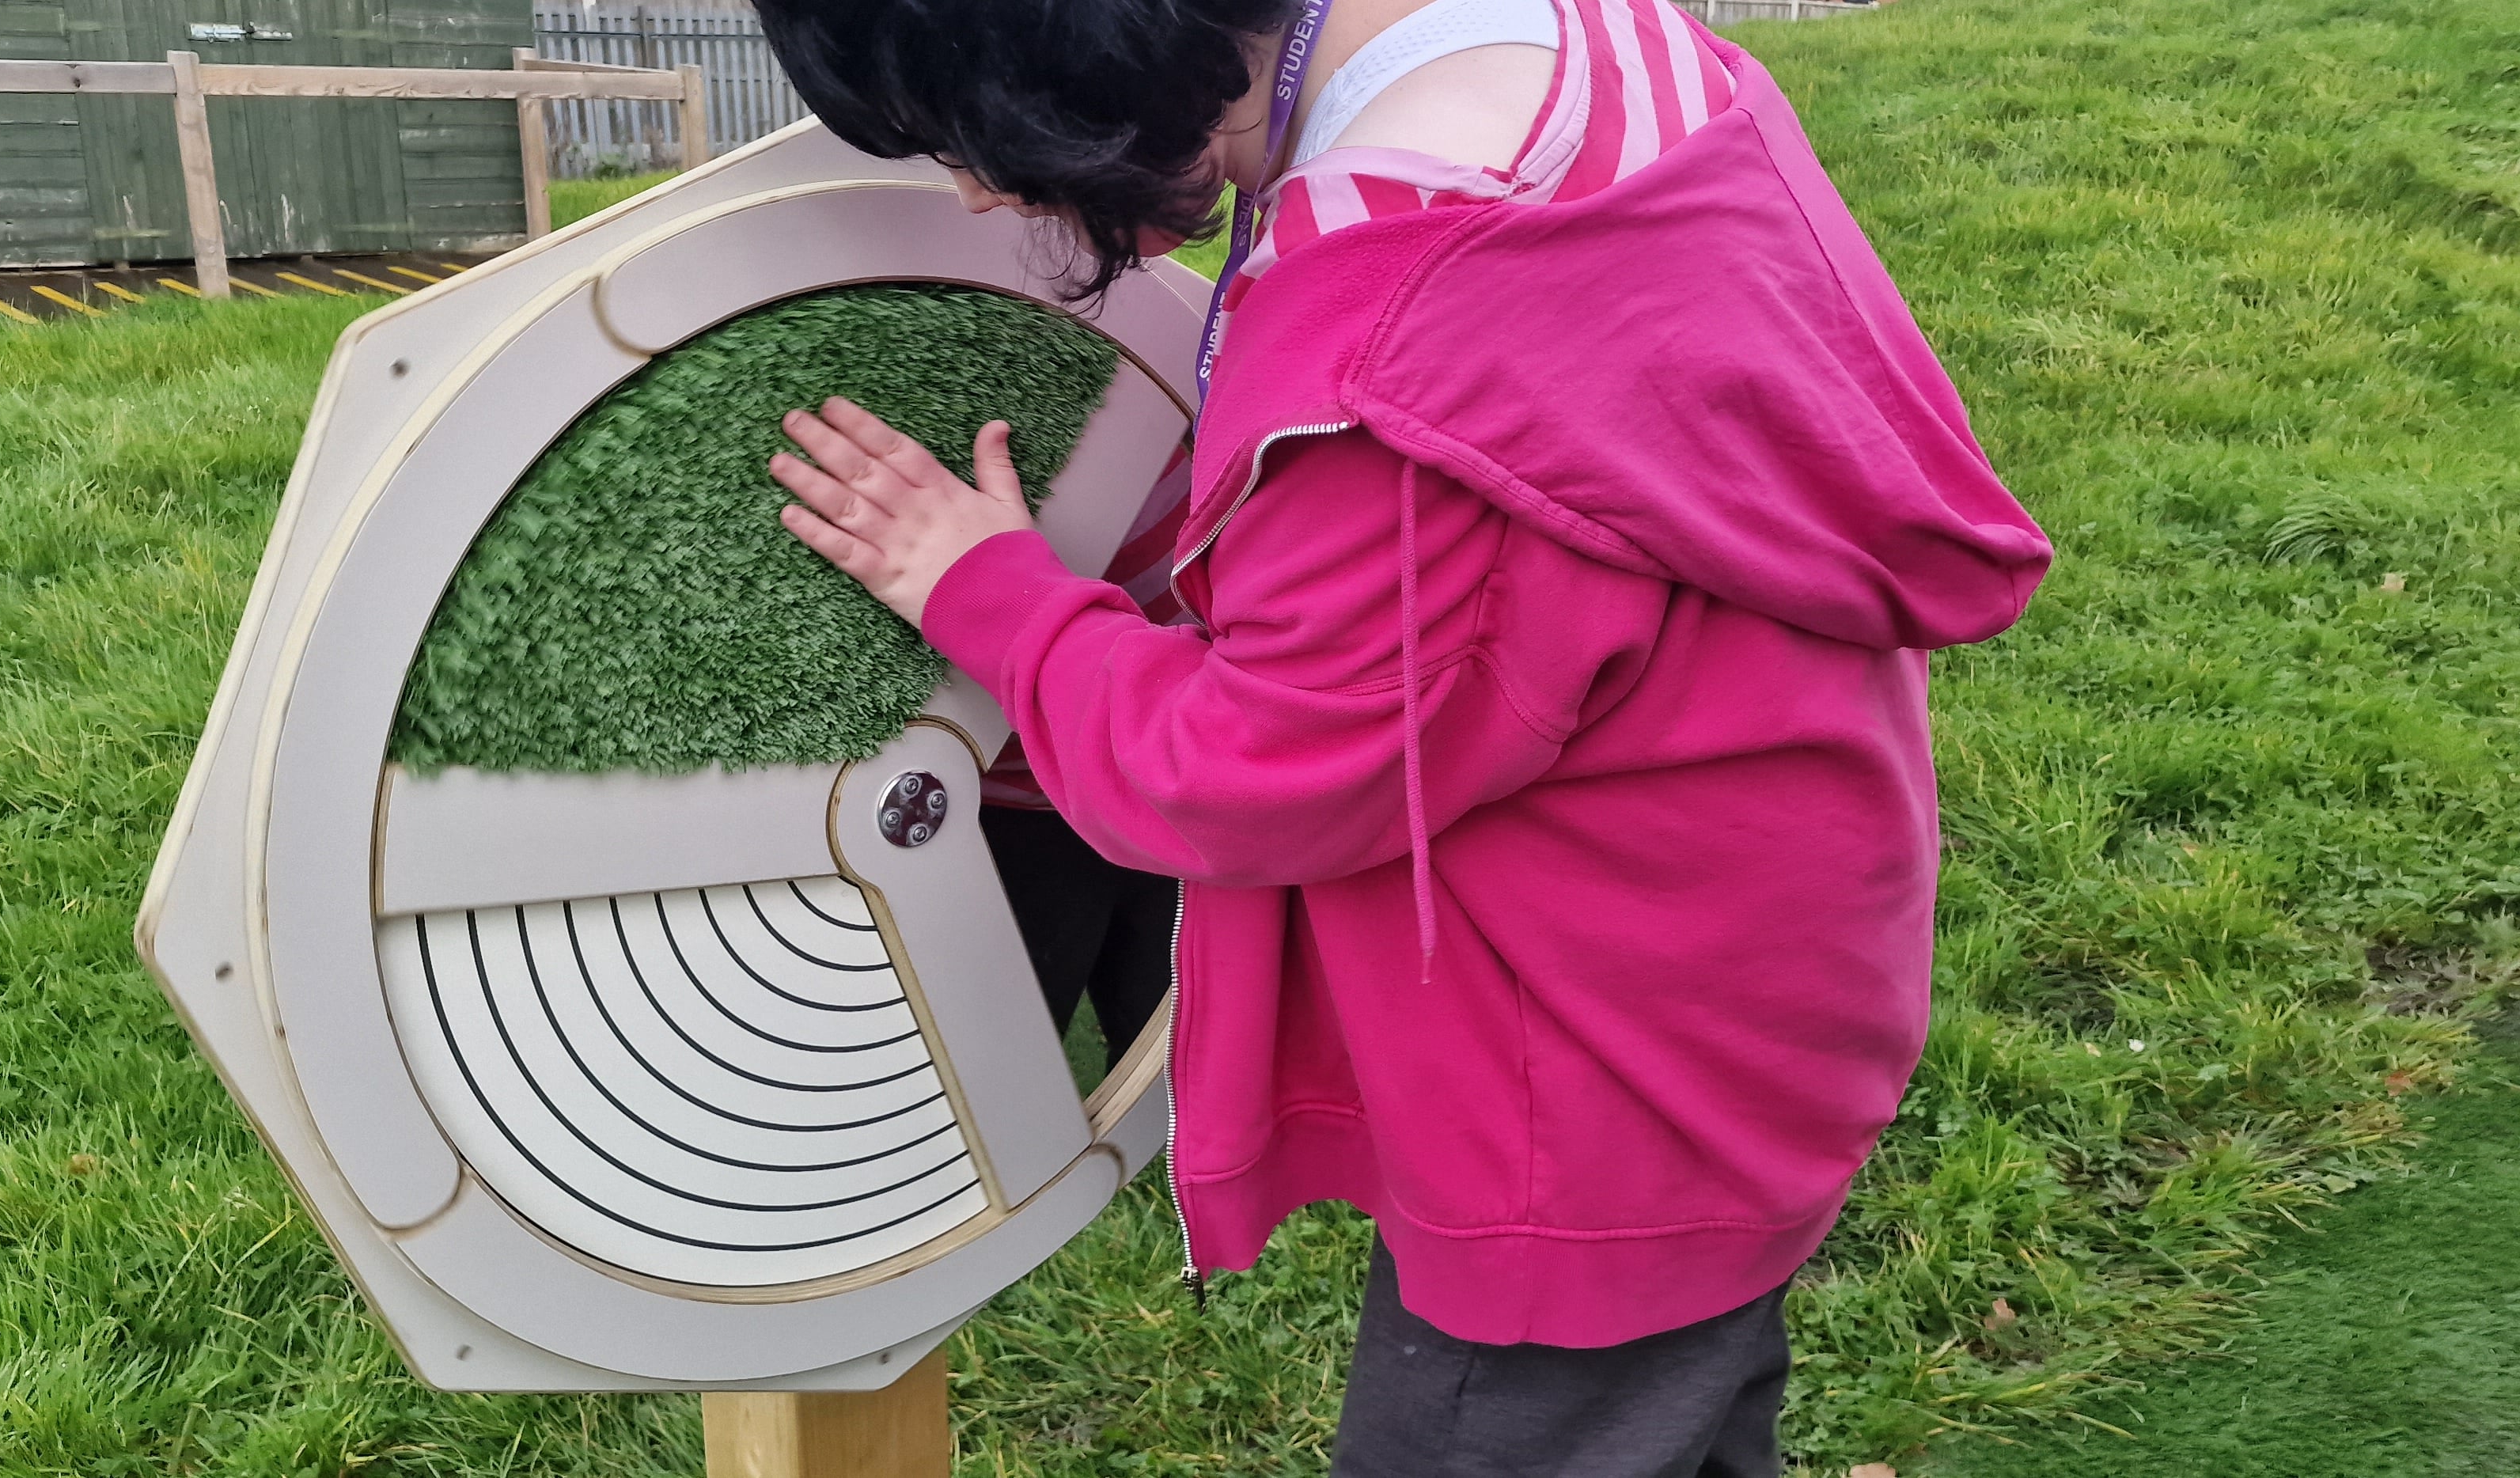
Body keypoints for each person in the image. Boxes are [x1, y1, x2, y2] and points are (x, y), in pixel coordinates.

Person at [750, 0, 2054, 1469]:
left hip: (1588, 1107)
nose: (983, 192)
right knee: (1676, 1416)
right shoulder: (1590, 54)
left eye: (975, 133)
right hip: (1748, 985)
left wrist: (981, 589)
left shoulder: (1395, 351)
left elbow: (1242, 778)